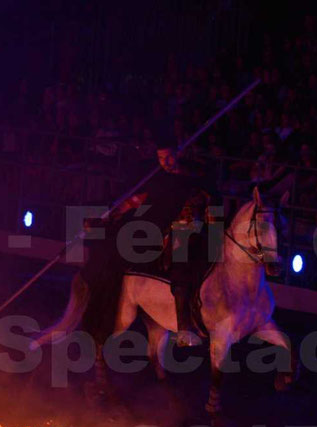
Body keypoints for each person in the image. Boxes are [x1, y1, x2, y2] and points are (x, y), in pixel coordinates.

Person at [80, 141, 220, 347]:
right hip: (176, 231)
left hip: (202, 228)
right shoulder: (158, 179)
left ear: (178, 153)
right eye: (161, 158)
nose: (166, 162)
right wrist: (105, 218)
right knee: (180, 261)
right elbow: (132, 202)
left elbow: (212, 200)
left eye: (169, 156)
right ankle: (183, 329)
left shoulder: (194, 176)